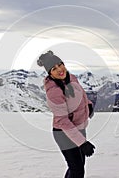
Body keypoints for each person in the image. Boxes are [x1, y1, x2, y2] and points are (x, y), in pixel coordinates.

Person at [37, 50, 95, 178]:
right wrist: (82, 143)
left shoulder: (71, 77)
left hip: (78, 127)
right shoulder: (54, 92)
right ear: (50, 73)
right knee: (77, 170)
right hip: (63, 133)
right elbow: (63, 121)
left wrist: (88, 105)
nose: (59, 69)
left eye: (60, 64)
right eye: (54, 69)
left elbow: (81, 95)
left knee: (78, 167)